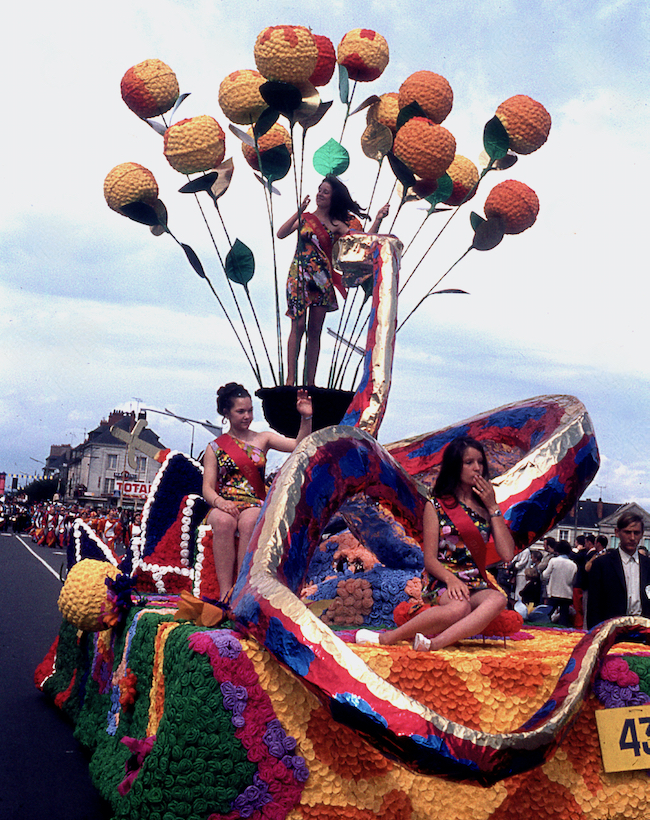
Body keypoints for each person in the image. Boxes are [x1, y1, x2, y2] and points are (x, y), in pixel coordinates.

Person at [355, 436, 515, 651]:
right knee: (459, 608)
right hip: (443, 580)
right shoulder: (437, 506)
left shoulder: (486, 509)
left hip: (476, 583)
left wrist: (494, 506)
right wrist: (451, 580)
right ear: (455, 467)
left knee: (497, 600)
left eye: (480, 462)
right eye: (469, 463)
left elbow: (506, 554)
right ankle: (388, 638)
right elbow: (429, 559)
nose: (477, 468)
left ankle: (434, 644)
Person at [202, 382, 314, 596]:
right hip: (224, 503)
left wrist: (305, 417)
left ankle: (243, 590)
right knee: (224, 522)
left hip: (253, 502)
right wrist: (221, 503)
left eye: (250, 410)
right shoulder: (214, 447)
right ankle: (226, 593)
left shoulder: (263, 438)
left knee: (250, 521)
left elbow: (300, 444)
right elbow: (207, 488)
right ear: (226, 413)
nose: (247, 416)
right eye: (240, 411)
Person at [278, 175, 389, 386]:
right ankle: (290, 380)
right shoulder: (306, 218)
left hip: (321, 280)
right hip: (299, 277)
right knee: (298, 325)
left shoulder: (336, 224)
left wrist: (378, 219)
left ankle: (309, 382)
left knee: (315, 331)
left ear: (333, 198)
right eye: (319, 189)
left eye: (325, 191)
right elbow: (281, 234)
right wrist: (299, 210)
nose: (320, 194)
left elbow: (361, 243)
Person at [586, 512, 650, 629]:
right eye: (627, 532)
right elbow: (594, 606)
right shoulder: (602, 564)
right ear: (617, 532)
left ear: (642, 534)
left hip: (644, 629)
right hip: (611, 630)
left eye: (636, 533)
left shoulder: (648, 565)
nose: (632, 538)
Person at [541, 540, 577, 626]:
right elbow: (574, 581)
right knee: (564, 618)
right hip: (567, 594)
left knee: (548, 616)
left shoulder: (553, 561)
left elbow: (545, 575)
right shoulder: (573, 564)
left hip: (554, 592)